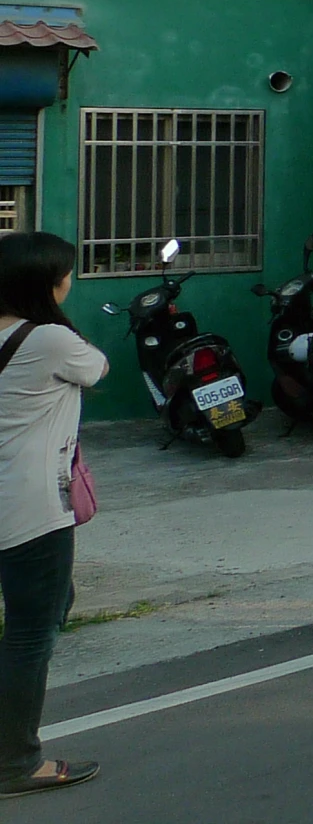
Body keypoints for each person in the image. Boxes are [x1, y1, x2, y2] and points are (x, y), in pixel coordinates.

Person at [0, 233, 104, 795]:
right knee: (29, 636)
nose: (72, 280)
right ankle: (15, 762)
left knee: (52, 602)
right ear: (46, 285)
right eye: (66, 274)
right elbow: (99, 367)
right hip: (29, 510)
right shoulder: (50, 340)